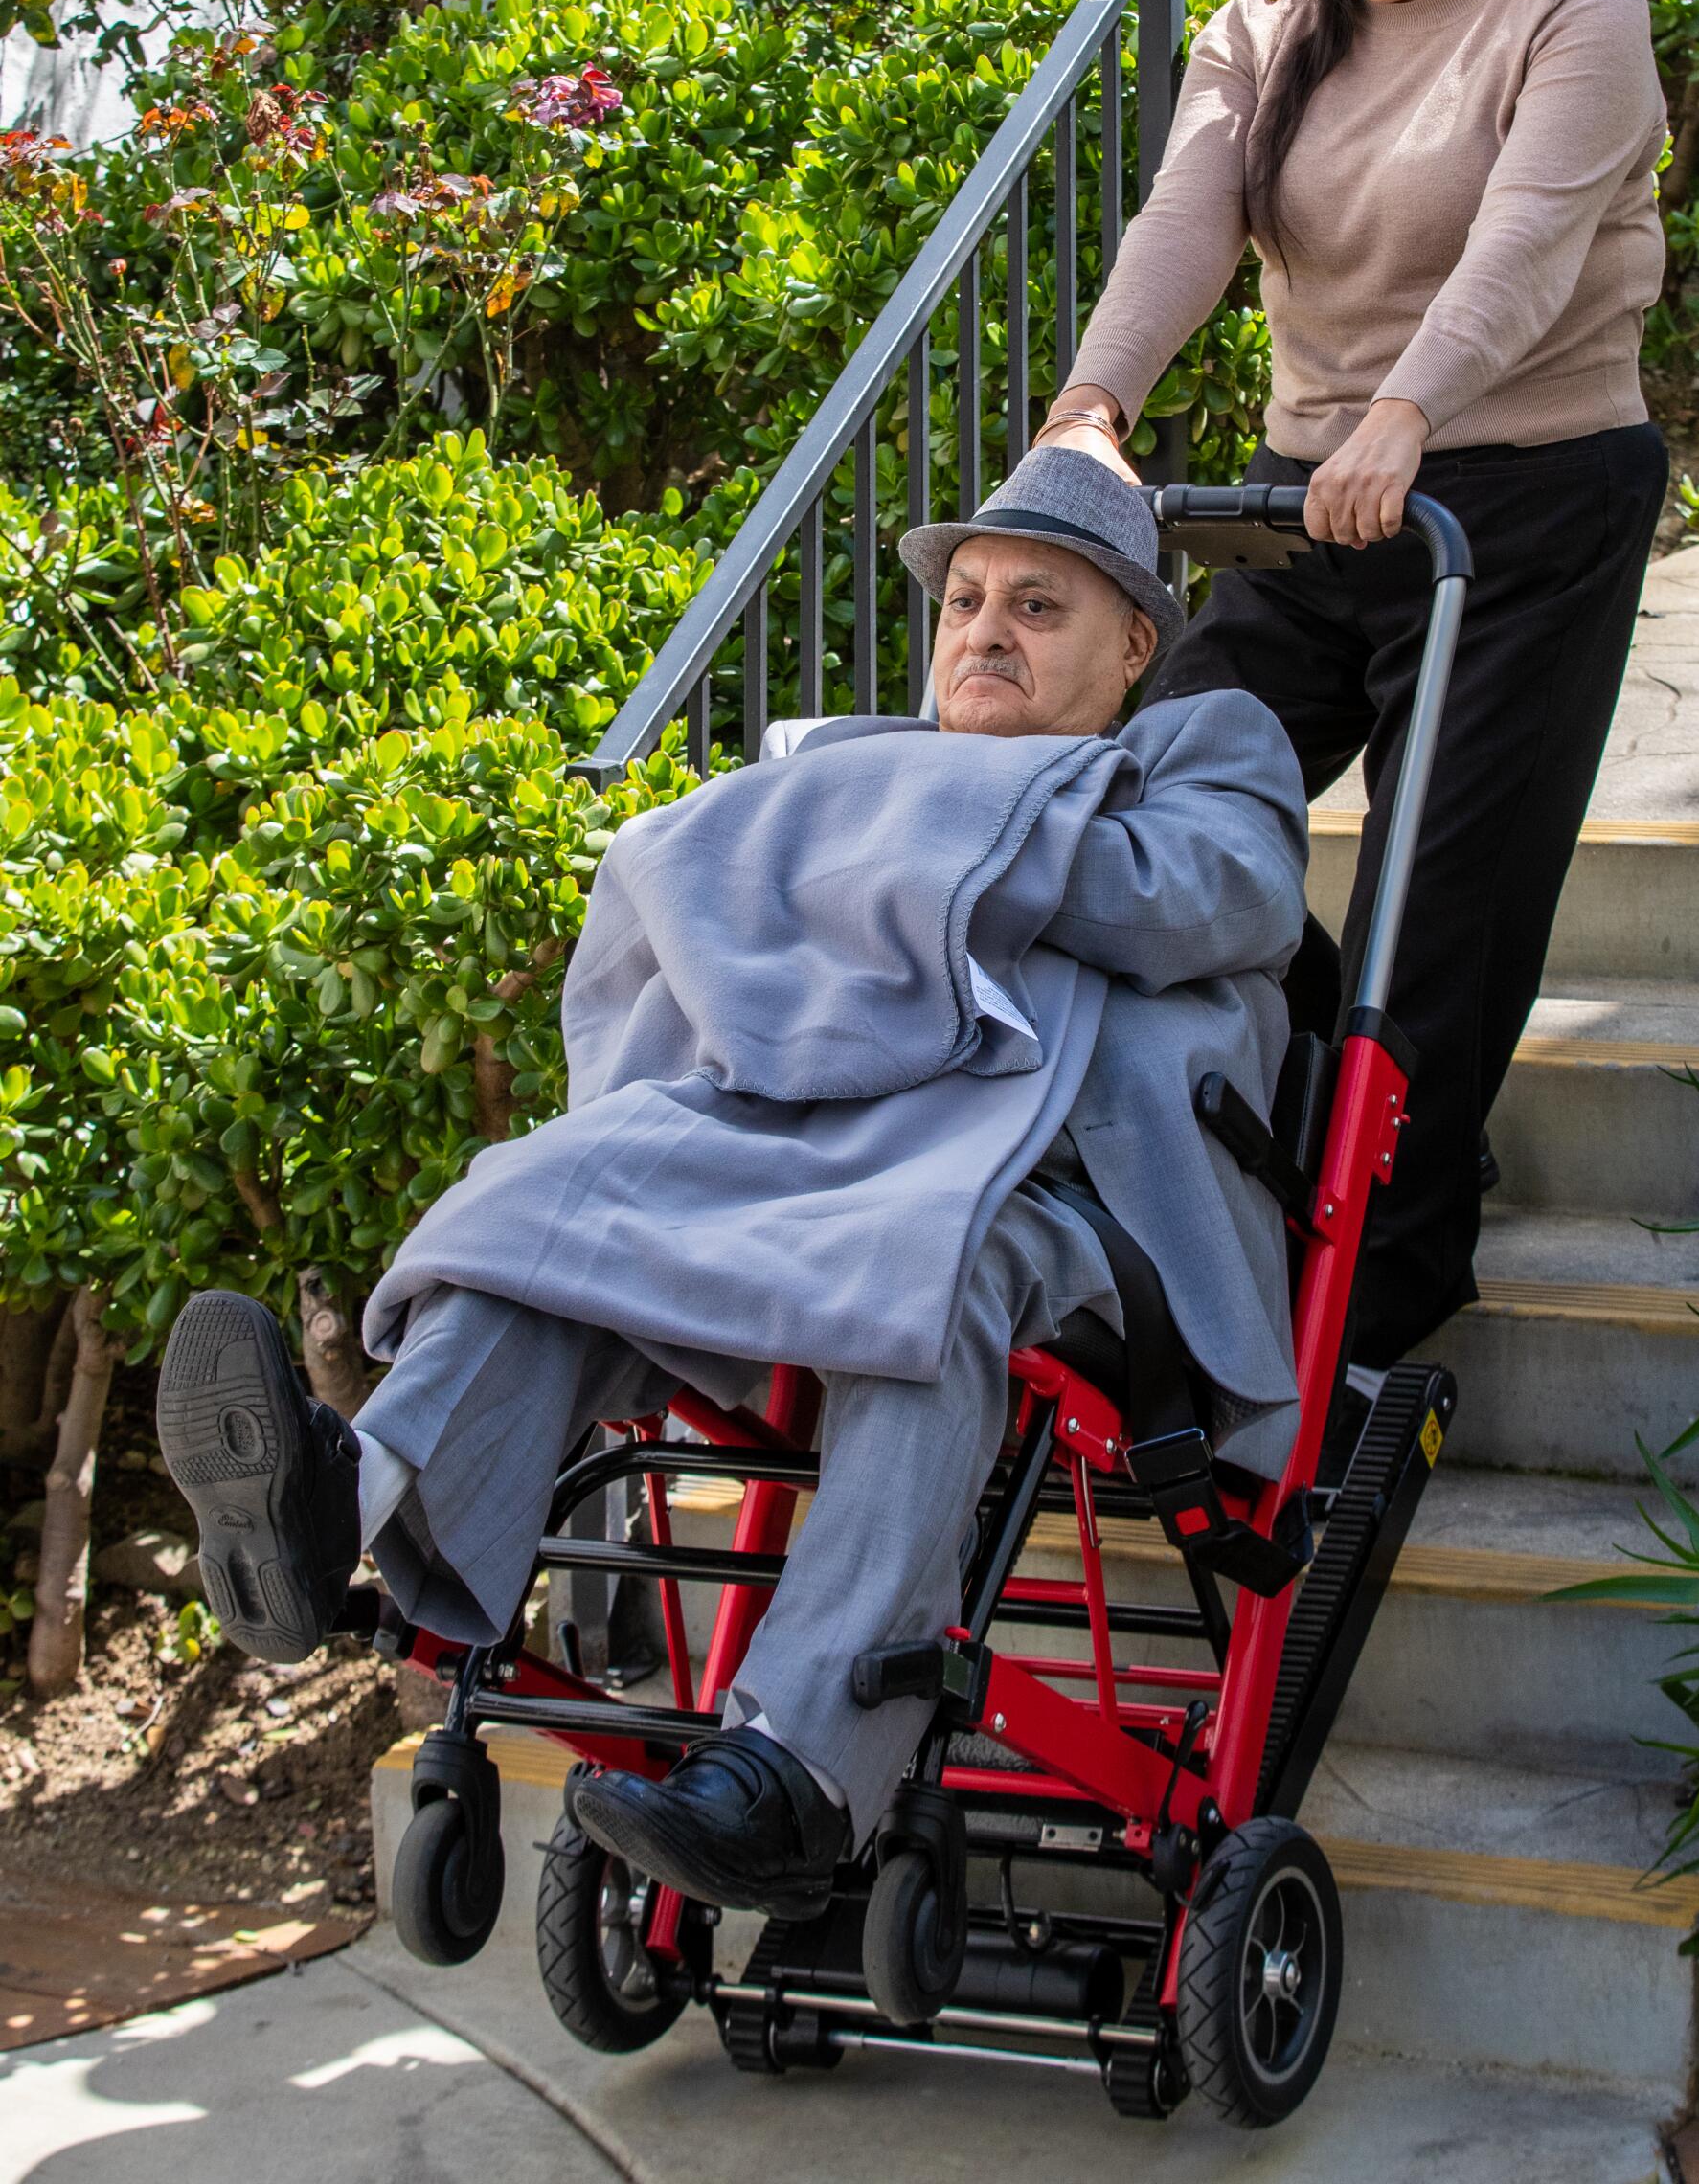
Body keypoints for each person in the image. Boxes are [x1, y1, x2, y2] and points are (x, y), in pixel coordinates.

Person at [157, 449, 1308, 1924]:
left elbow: (1207, 897)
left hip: (1063, 1192)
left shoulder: (1202, 753)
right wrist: (892, 821)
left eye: (1038, 607)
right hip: (815, 1143)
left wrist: (912, 832)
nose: (985, 634)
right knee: (563, 1199)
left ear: (1136, 644)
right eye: (964, 602)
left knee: (931, 1275)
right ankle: (349, 1506)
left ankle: (803, 1769)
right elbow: (709, 907)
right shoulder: (851, 765)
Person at [1038, 0, 1669, 1375]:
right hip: (1313, 510)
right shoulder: (1268, 27)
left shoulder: (1572, 14)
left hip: (1523, 506)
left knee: (1436, 901)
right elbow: (1191, 216)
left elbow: (1528, 246)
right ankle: (1360, 1116)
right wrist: (1092, 403)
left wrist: (1411, 405)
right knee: (1143, 805)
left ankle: (1383, 1311)